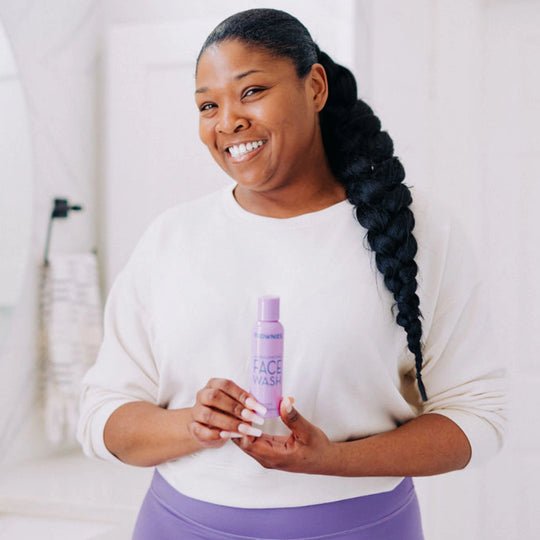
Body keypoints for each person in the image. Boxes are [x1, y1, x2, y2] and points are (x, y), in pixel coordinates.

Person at [77, 8, 507, 540]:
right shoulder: (172, 238)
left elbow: (478, 419)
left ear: (316, 86)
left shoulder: (417, 229)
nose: (228, 120)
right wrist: (190, 424)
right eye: (208, 104)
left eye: (252, 90)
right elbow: (102, 416)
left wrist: (331, 459)